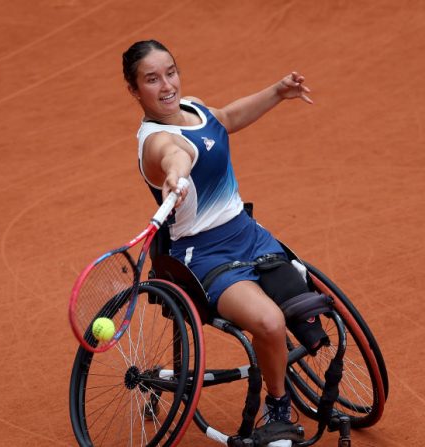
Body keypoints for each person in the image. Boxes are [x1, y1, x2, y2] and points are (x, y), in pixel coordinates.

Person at [122, 39, 317, 434]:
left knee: (309, 308)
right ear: (134, 90)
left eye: (170, 72)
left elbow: (226, 117)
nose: (166, 86)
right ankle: (278, 406)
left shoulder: (192, 108)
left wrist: (278, 92)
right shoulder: (155, 143)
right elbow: (176, 156)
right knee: (270, 323)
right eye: (152, 79)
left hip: (251, 235)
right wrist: (175, 175)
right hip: (205, 257)